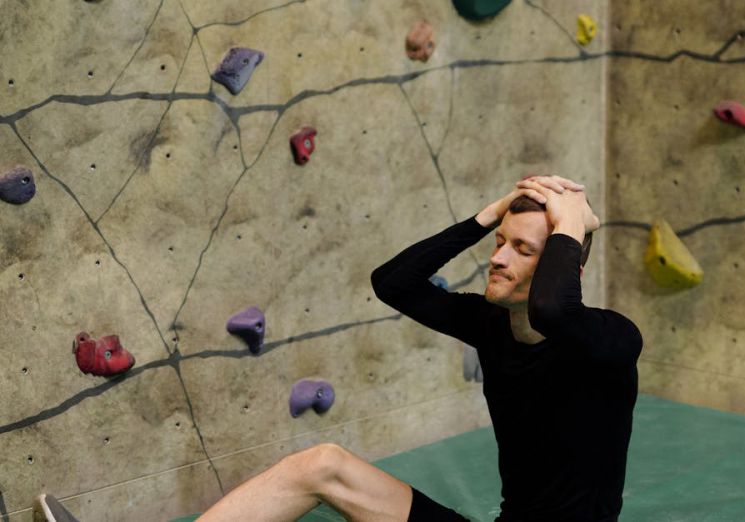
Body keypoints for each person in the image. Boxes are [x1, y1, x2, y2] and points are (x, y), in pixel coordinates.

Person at [35, 175, 642, 522]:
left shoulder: (611, 343)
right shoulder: (489, 324)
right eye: (502, 243)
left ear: (567, 263)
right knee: (321, 463)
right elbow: (392, 283)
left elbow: (555, 310)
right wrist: (485, 217)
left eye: (524, 250)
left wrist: (571, 224)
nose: (499, 258)